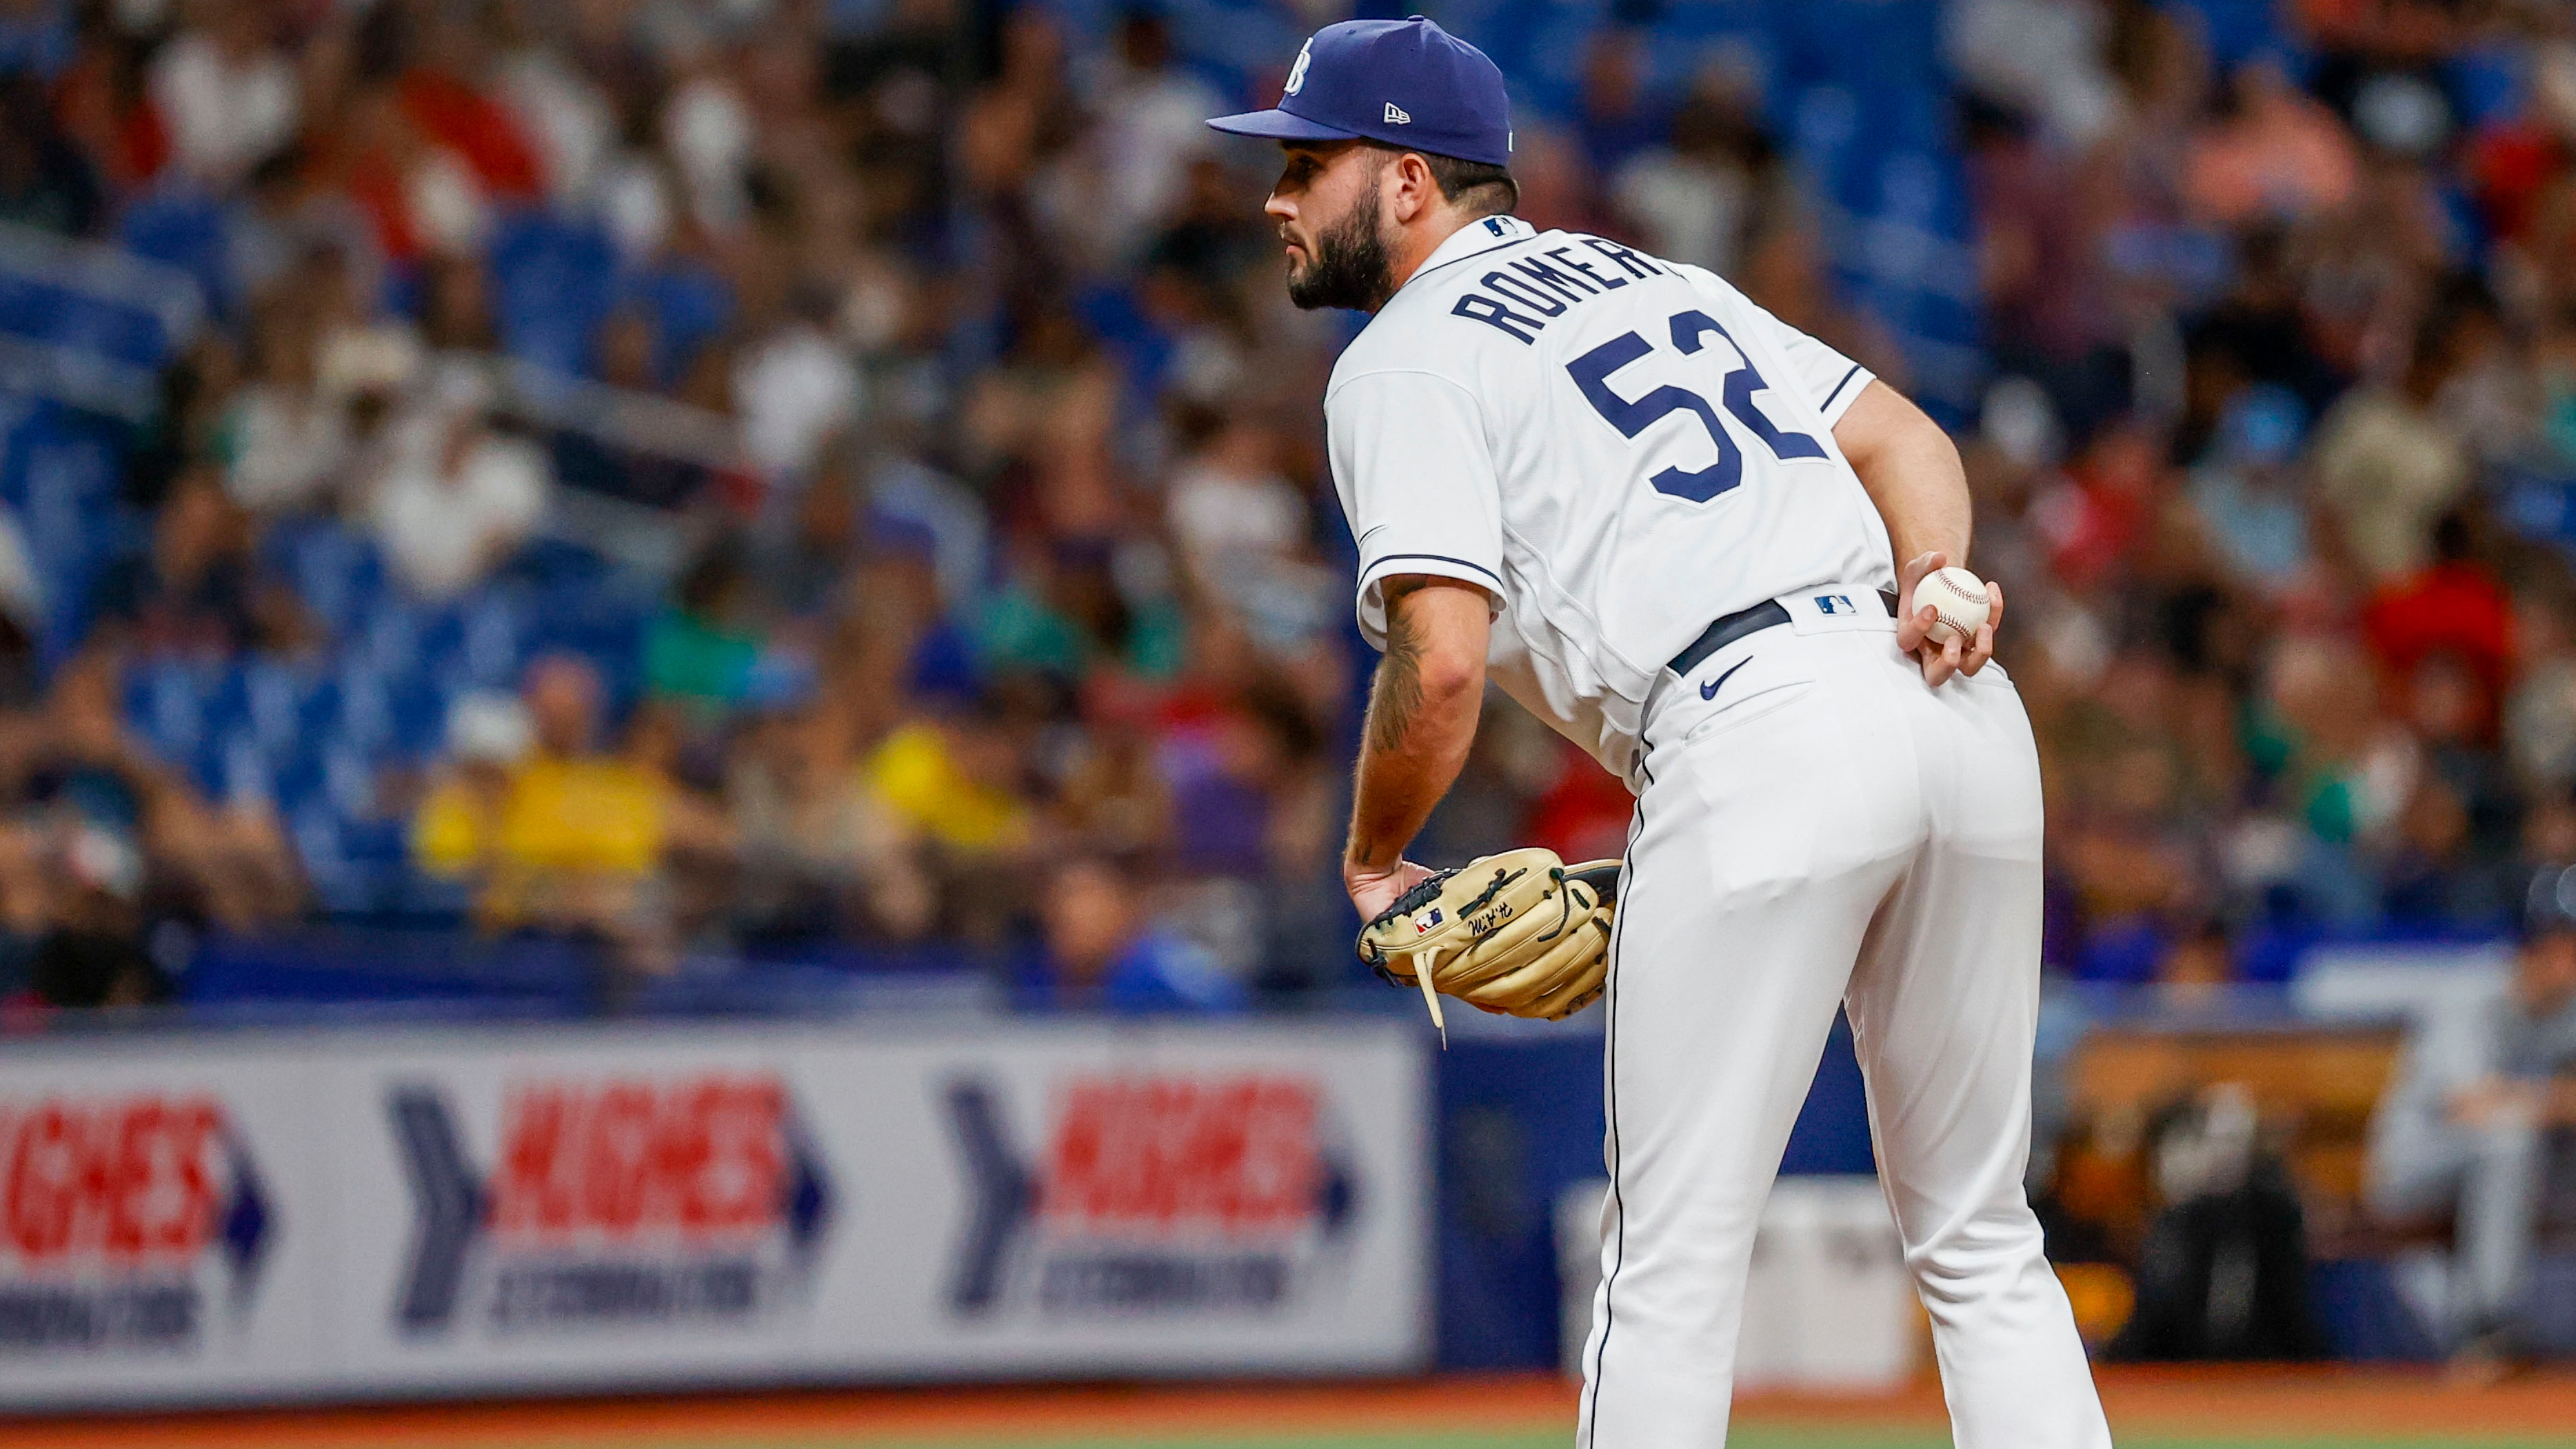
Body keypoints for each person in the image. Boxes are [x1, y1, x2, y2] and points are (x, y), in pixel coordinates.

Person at [1207, 19, 2107, 1447]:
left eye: (1308, 162)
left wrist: (1378, 857)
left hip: (1758, 726)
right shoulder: (1649, 278)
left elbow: (1437, 666)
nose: (1276, 194)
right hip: (1946, 695)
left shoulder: (1399, 359)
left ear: (1403, 182)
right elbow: (1908, 441)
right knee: (1981, 1241)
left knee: (1667, 1269)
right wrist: (1934, 568)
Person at [2364, 869, 2576, 1366]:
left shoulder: (2569, 1009)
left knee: (2520, 1141)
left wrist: (2538, 1103)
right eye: (2563, 943)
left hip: (2517, 1170)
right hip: (2416, 1165)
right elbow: (2471, 1106)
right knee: (2509, 1140)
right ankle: (2488, 1324)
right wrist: (2555, 1101)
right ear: (2533, 946)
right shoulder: (2470, 993)